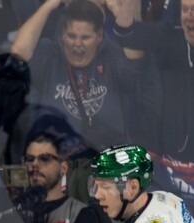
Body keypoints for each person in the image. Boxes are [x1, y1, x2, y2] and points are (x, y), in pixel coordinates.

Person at [104, 0, 194, 223]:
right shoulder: (171, 36)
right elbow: (130, 36)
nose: (188, 16)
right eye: (184, 9)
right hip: (175, 172)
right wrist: (125, 19)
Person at [11, 0, 158, 152]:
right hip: (59, 159)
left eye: (85, 37)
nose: (77, 43)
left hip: (108, 160)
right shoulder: (50, 55)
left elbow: (136, 55)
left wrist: (119, 12)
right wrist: (50, 4)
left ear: (99, 36)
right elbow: (19, 51)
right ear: (62, 34)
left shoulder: (111, 56)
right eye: (71, 36)